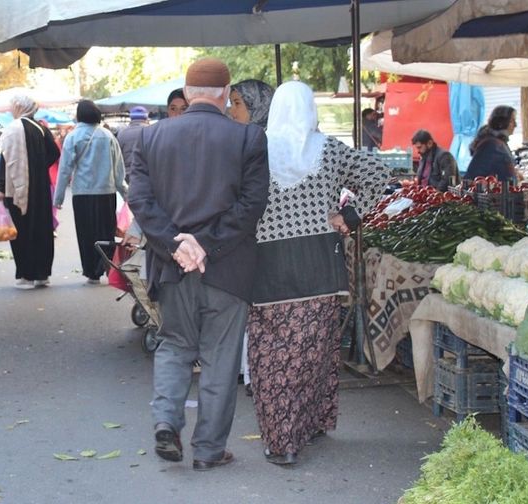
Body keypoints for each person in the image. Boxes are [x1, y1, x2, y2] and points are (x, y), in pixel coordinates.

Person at [128, 58, 270, 471]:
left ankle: (166, 422)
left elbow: (140, 201)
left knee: (174, 345)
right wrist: (205, 244)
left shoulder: (149, 139)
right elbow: (251, 205)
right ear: (226, 94)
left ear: (187, 95)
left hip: (171, 268)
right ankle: (208, 450)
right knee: (220, 358)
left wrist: (178, 245)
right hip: (229, 269)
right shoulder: (249, 138)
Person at [246, 81, 387, 466]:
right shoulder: (329, 150)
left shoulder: (254, 149)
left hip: (267, 269)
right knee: (315, 352)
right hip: (319, 267)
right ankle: (310, 425)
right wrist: (349, 217)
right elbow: (379, 176)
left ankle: (281, 440)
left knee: (270, 356)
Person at [227, 78, 275, 397]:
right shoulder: (245, 141)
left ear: (258, 106)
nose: (231, 111)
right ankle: (247, 370)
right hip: (245, 241)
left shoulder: (267, 144)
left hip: (264, 243)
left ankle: (254, 372)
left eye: (238, 104)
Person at [54, 100, 127, 284]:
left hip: (82, 194)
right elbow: (119, 168)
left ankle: (91, 272)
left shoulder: (73, 136)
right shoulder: (108, 135)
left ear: (79, 115)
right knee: (106, 232)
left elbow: (65, 169)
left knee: (86, 233)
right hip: (106, 193)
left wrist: (59, 197)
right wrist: (126, 194)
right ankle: (107, 267)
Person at [0, 95, 60, 288]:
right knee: (42, 228)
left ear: (19, 107)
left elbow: (5, 160)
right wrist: (39, 167)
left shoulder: (12, 129)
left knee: (22, 230)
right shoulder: (41, 128)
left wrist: (1, 187)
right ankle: (42, 274)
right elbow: (54, 153)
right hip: (40, 188)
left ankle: (26, 275)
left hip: (17, 188)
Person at [464, 105, 518, 183]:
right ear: (502, 122)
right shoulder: (492, 145)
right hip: (496, 193)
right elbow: (474, 175)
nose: (515, 125)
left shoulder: (498, 142)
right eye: (512, 121)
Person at [116, 105, 151, 178]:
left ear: (131, 118)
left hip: (127, 175)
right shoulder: (151, 132)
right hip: (146, 175)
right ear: (146, 117)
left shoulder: (122, 133)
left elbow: (118, 157)